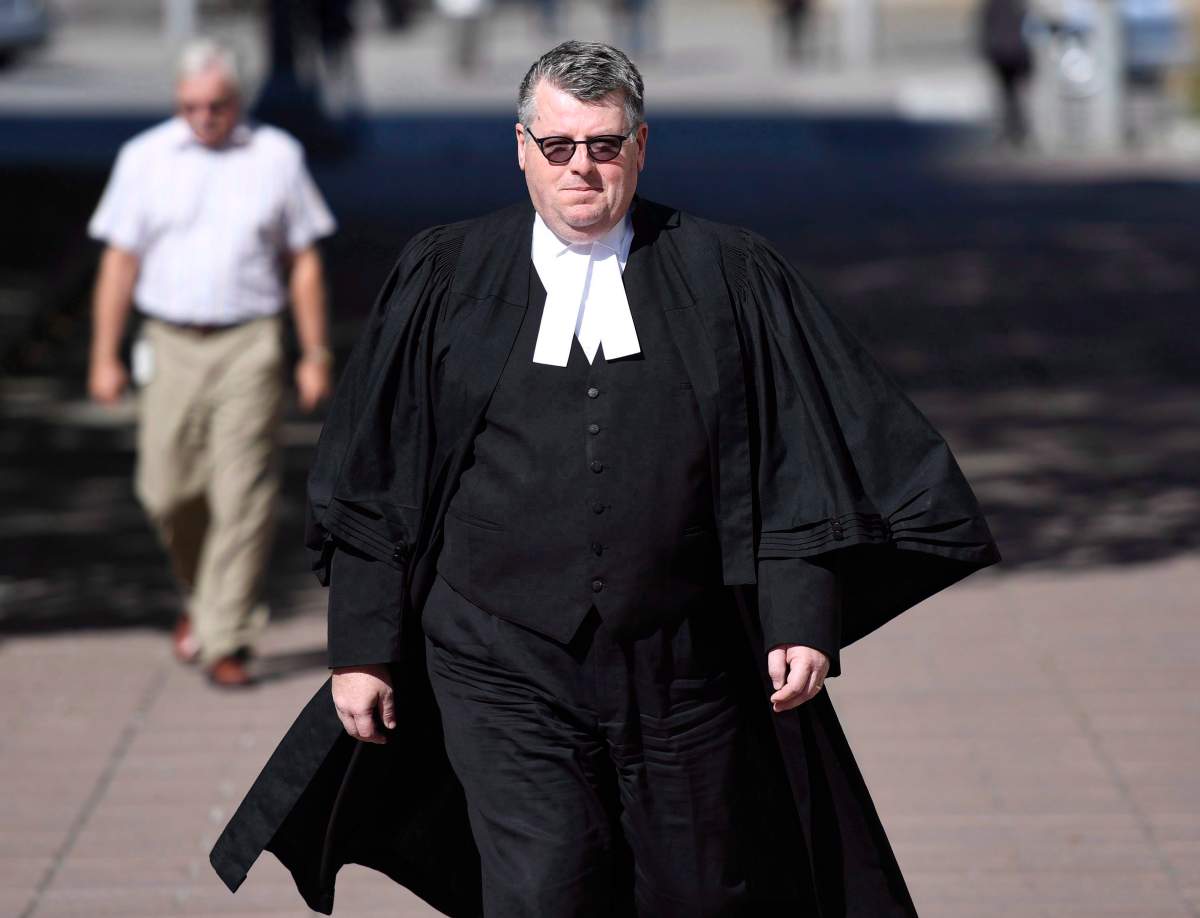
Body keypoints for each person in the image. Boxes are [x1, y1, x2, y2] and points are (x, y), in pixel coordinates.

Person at [211, 40, 999, 915]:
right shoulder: (447, 274)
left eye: (604, 144)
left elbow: (794, 457)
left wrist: (801, 613)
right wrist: (362, 647)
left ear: (641, 146)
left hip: (686, 661)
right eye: (557, 145)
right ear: (522, 148)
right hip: (497, 657)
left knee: (701, 893)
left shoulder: (728, 273)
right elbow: (374, 471)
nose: (580, 167)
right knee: (542, 886)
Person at [87, 37, 337, 687]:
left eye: (217, 105)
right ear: (177, 101)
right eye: (191, 106)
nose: (204, 118)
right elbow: (119, 261)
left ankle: (227, 635)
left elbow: (303, 261)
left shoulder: (276, 156)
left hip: (249, 343)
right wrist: (104, 354)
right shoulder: (144, 158)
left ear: (238, 100)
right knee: (166, 490)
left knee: (242, 492)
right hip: (168, 344)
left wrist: (314, 353)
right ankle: (203, 599)